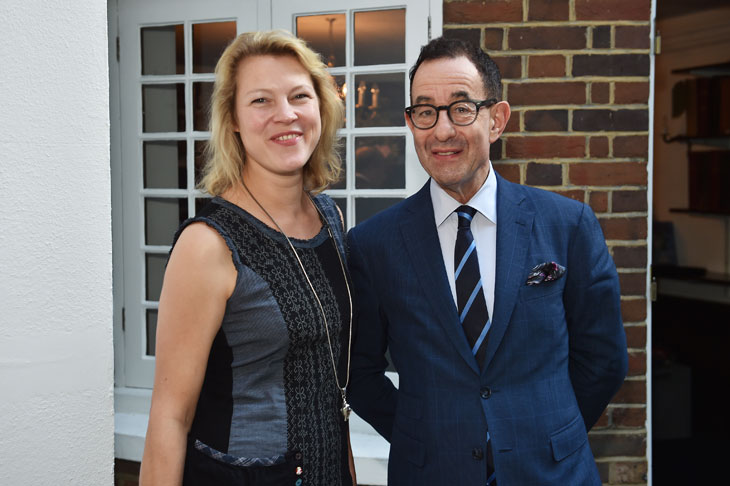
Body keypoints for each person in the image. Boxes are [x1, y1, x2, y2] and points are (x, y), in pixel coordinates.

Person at [346, 37, 628, 485]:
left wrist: (551, 432)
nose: (442, 131)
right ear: (411, 122)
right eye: (425, 111)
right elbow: (359, 373)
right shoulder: (372, 244)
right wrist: (423, 436)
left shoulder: (568, 224)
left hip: (554, 474)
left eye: (461, 108)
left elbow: (604, 360)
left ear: (496, 120)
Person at [140, 30, 355, 486]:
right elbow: (169, 416)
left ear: (321, 106)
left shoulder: (330, 218)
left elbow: (331, 381)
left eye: (300, 95)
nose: (286, 115)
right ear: (233, 119)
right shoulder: (208, 244)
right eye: (261, 101)